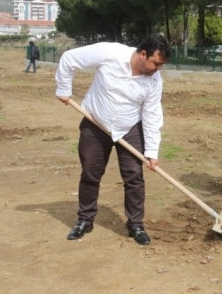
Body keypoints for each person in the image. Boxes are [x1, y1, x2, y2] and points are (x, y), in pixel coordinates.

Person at [55, 35, 172, 245]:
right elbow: (69, 58)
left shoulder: (154, 81)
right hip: (96, 123)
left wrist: (152, 151)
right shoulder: (110, 53)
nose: (158, 69)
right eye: (156, 63)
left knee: (134, 178)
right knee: (90, 173)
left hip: (130, 129)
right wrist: (64, 89)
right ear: (143, 54)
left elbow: (152, 115)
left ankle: (135, 224)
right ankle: (85, 220)